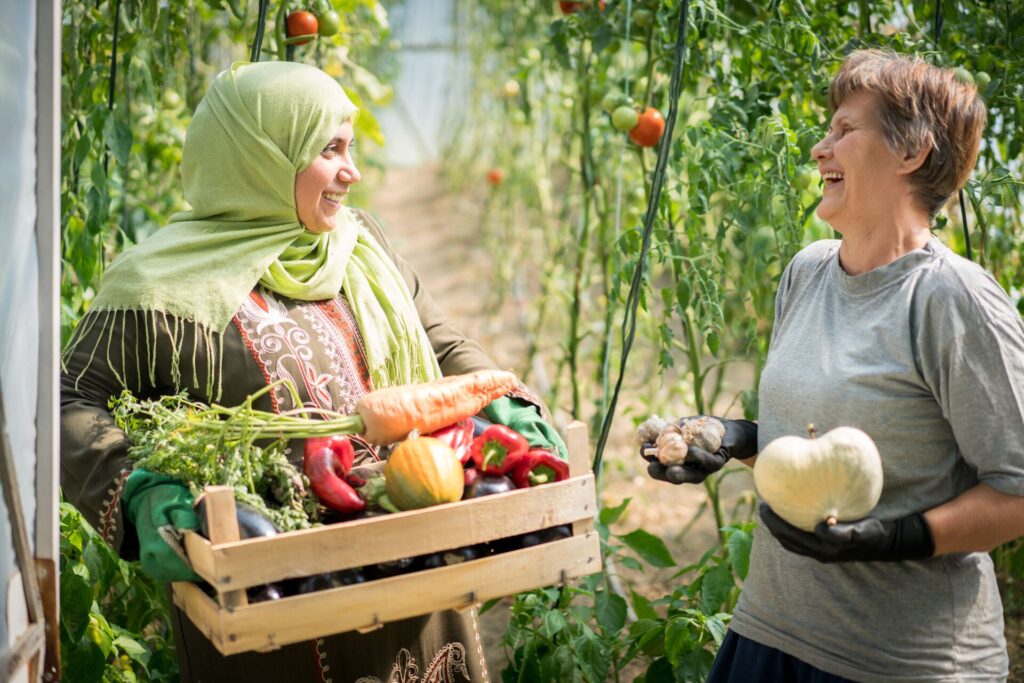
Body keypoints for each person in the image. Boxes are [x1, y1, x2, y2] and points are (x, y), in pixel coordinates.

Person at [61, 60, 565, 683]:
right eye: (330, 149)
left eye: (349, 148)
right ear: (261, 155)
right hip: (260, 590)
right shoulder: (160, 289)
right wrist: (139, 492)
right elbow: (69, 400)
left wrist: (507, 403)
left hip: (408, 553)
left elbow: (442, 343)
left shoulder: (361, 246)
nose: (351, 173)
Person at [640, 49, 1024, 681]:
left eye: (845, 130)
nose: (821, 148)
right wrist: (734, 439)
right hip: (771, 630)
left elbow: (1015, 489)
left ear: (912, 152)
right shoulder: (808, 272)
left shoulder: (952, 299)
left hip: (899, 661)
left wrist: (897, 538)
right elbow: (819, 452)